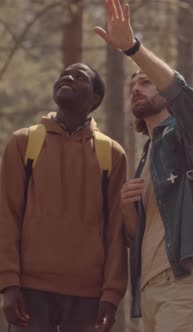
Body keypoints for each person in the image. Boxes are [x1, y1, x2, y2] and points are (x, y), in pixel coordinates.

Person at [94, 0, 193, 331]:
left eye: (146, 82)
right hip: (149, 290)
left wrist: (133, 49)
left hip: (186, 280)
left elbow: (184, 95)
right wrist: (127, 210)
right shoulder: (145, 158)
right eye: (132, 85)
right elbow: (139, 234)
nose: (137, 88)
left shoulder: (191, 135)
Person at [0, 61, 128, 332]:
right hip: (29, 289)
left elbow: (116, 229)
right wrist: (8, 283)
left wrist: (112, 294)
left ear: (94, 99)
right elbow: (6, 216)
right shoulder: (24, 143)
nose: (67, 77)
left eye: (78, 76)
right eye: (63, 75)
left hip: (88, 295)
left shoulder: (111, 154)